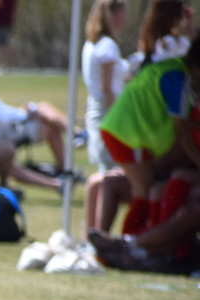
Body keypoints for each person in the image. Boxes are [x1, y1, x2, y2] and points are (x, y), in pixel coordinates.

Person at [99, 38, 200, 236]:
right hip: (127, 133)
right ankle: (131, 243)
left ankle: (132, 243)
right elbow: (180, 129)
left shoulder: (172, 66)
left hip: (122, 130)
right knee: (145, 192)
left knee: (145, 189)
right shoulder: (176, 76)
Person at [0, 63, 76, 176]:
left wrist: (23, 112)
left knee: (44, 109)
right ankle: (75, 135)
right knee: (47, 121)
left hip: (11, 129)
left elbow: (6, 111)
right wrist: (25, 115)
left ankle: (68, 154)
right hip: (5, 135)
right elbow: (4, 120)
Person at [82, 0, 128, 174]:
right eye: (123, 13)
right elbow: (106, 88)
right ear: (114, 15)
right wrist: (115, 120)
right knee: (110, 173)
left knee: (106, 172)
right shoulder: (107, 45)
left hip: (97, 110)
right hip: (106, 112)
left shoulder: (92, 43)